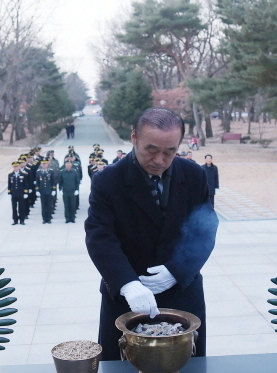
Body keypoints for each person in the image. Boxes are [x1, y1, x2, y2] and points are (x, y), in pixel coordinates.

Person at [85, 107, 218, 361]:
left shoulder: (194, 175)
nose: (160, 160)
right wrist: (127, 283)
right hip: (127, 297)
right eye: (152, 150)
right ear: (134, 138)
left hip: (182, 292)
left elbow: (205, 229)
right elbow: (100, 236)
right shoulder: (108, 180)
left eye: (170, 152)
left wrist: (176, 271)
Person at [35, 159, 56, 224]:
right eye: (43, 164)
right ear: (41, 165)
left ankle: (49, 218)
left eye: (45, 164)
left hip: (49, 191)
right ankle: (44, 219)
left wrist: (54, 190)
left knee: (49, 206)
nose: (44, 165)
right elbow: (37, 182)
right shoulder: (38, 172)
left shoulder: (51, 171)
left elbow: (53, 181)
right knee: (43, 206)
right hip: (42, 192)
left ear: (47, 164)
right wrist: (37, 190)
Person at [8, 161, 28, 225]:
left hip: (21, 193)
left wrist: (25, 193)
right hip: (14, 194)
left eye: (17, 166)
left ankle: (22, 220)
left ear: (19, 167)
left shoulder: (23, 174)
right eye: (14, 167)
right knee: (14, 208)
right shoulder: (10, 175)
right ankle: (15, 220)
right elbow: (9, 185)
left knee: (21, 207)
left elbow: (25, 184)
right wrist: (9, 193)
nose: (16, 168)